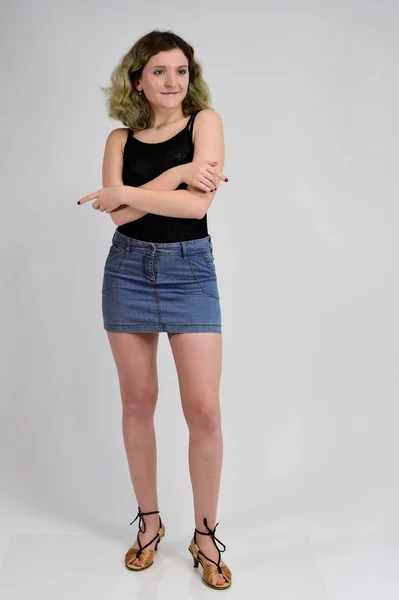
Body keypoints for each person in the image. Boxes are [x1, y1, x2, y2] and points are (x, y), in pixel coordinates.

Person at [77, 29, 231, 590]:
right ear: (137, 77)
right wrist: (172, 176)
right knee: (138, 404)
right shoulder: (119, 138)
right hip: (127, 271)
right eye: (160, 71)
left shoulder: (204, 123)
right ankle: (149, 523)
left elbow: (197, 207)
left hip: (191, 271)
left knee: (204, 411)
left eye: (181, 71)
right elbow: (118, 221)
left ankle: (206, 533)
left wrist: (122, 194)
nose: (173, 82)